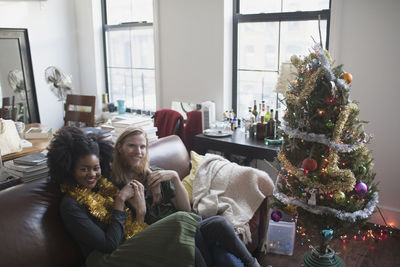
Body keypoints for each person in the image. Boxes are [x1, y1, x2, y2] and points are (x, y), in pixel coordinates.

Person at [48, 126, 259, 267]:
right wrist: (130, 205)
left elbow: (129, 227)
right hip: (109, 256)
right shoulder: (74, 203)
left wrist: (173, 178)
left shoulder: (103, 187)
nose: (92, 175)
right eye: (84, 170)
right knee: (183, 229)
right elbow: (112, 242)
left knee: (218, 226)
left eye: (95, 168)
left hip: (141, 237)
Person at [111, 127, 261, 267]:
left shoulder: (156, 174)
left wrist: (175, 177)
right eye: (132, 146)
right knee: (189, 248)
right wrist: (141, 211)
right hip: (164, 237)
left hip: (187, 225)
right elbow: (131, 238)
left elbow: (185, 208)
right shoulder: (118, 189)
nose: (138, 151)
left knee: (220, 224)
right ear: (119, 147)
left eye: (142, 147)